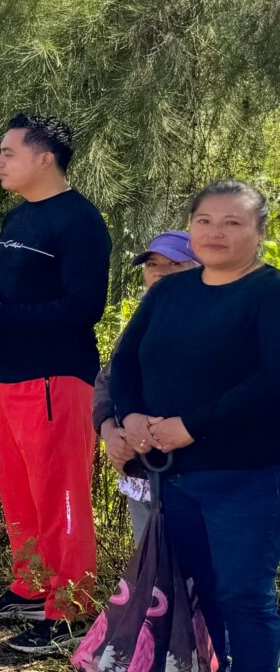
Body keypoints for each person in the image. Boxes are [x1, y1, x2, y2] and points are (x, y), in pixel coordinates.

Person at [109, 181, 280, 672]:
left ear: (260, 231)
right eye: (205, 220)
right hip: (175, 476)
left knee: (243, 596)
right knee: (201, 596)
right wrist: (126, 416)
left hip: (246, 475)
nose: (215, 232)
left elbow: (270, 385)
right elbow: (127, 360)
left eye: (232, 223)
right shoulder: (172, 292)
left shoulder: (269, 293)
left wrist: (192, 425)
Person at [0, 113, 111, 655]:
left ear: (44, 157)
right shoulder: (18, 220)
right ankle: (31, 587)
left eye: (8, 152)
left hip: (58, 377)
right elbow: (20, 290)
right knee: (19, 490)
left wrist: (7, 316)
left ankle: (71, 610)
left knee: (59, 496)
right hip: (11, 374)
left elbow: (84, 308)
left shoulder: (80, 221)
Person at [93, 232, 199, 551]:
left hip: (195, 471)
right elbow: (108, 381)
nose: (159, 272)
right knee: (152, 574)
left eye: (173, 264)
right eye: (153, 264)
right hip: (141, 469)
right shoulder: (142, 318)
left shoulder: (212, 318)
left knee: (202, 578)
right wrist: (111, 432)